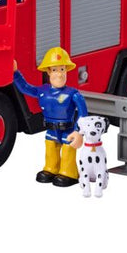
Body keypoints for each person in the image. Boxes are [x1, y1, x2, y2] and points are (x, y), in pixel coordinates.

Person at [12, 47, 86, 187]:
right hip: (51, 129)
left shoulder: (73, 94)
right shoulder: (42, 91)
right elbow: (25, 88)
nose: (59, 74)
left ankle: (69, 173)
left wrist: (78, 132)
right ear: (48, 72)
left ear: (67, 70)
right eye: (55, 70)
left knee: (68, 151)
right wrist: (15, 73)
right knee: (51, 148)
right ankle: (51, 169)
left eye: (62, 69)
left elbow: (83, 114)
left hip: (68, 130)